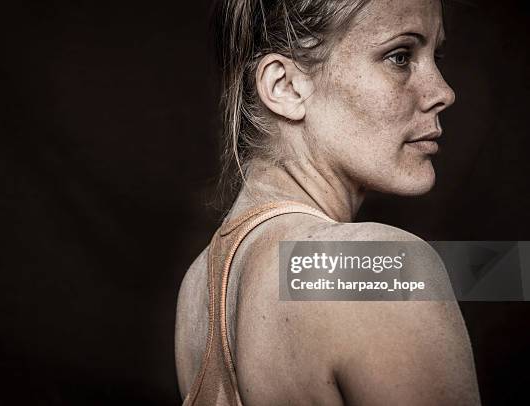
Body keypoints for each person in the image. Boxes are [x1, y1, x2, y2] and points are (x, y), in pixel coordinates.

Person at [175, 0, 481, 404]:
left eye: (435, 55)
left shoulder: (198, 289)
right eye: (400, 56)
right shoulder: (377, 267)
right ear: (286, 86)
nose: (444, 92)